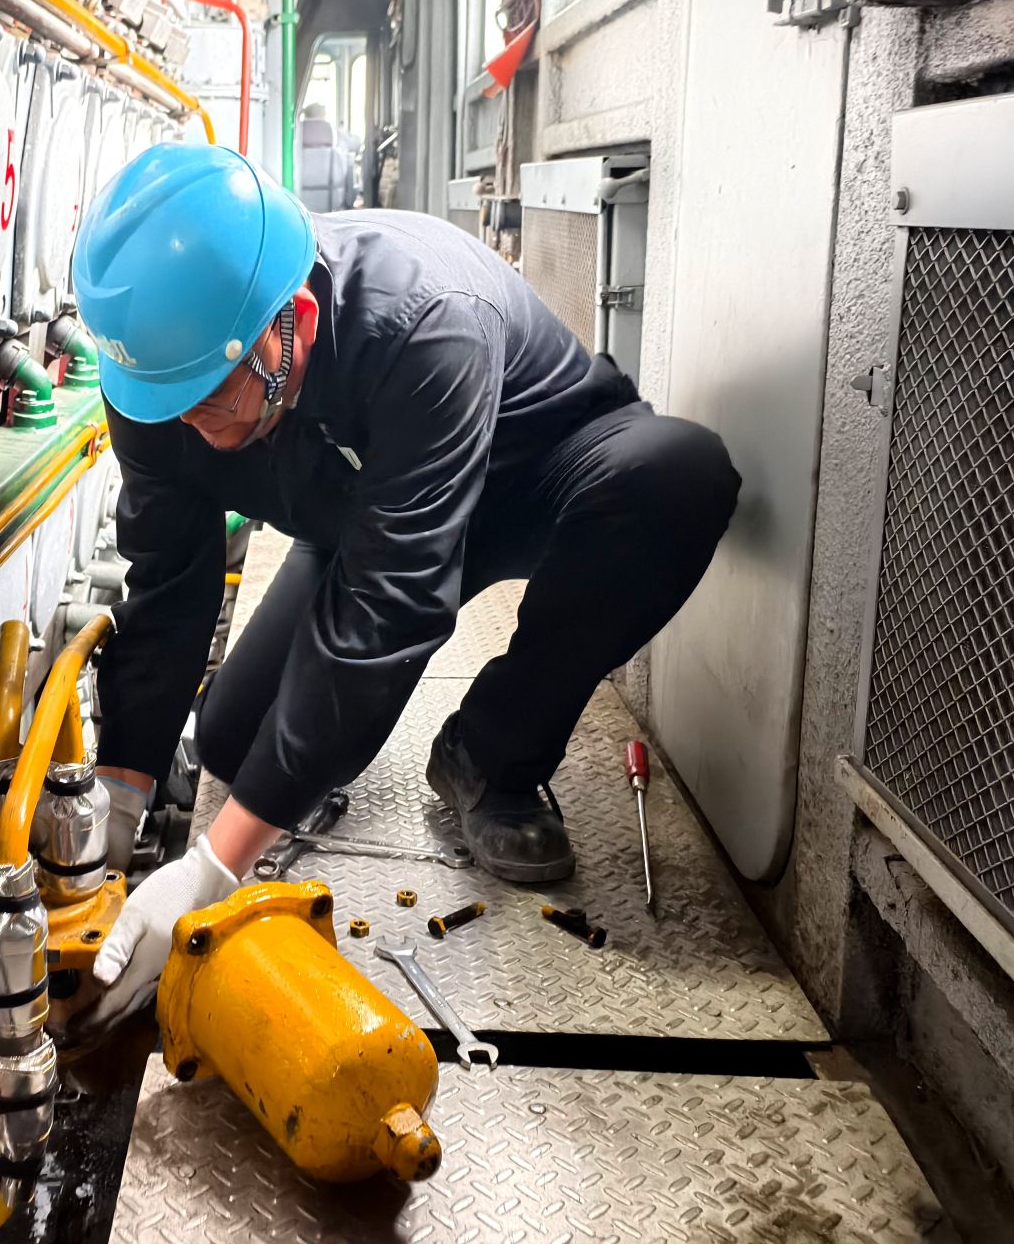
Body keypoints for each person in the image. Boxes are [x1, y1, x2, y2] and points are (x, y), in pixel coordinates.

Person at [72, 144, 738, 1027]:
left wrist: (216, 867)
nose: (190, 424)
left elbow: (391, 607)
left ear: (295, 321)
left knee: (677, 477)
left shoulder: (424, 320)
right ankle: (301, 752)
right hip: (362, 509)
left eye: (213, 398)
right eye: (169, 403)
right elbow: (168, 583)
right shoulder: (159, 377)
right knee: (238, 746)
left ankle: (491, 755)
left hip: (531, 477)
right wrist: (121, 797)